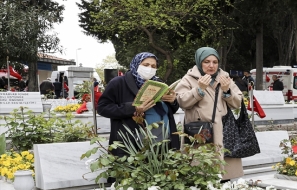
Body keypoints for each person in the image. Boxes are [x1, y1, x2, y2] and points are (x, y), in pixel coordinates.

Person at [176, 47, 244, 181]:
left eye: (215, 62)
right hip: (201, 130)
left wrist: (227, 91)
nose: (211, 66)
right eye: (207, 62)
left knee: (224, 175)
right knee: (200, 173)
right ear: (199, 62)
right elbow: (182, 101)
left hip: (223, 130)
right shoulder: (189, 79)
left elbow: (238, 103)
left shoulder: (224, 78)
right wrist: (199, 89)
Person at [97, 52, 180, 160]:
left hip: (163, 142)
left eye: (153, 66)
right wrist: (133, 108)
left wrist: (172, 101)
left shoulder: (158, 83)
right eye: (146, 65)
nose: (150, 68)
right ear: (136, 64)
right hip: (134, 142)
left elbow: (169, 111)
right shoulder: (118, 83)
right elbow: (102, 108)